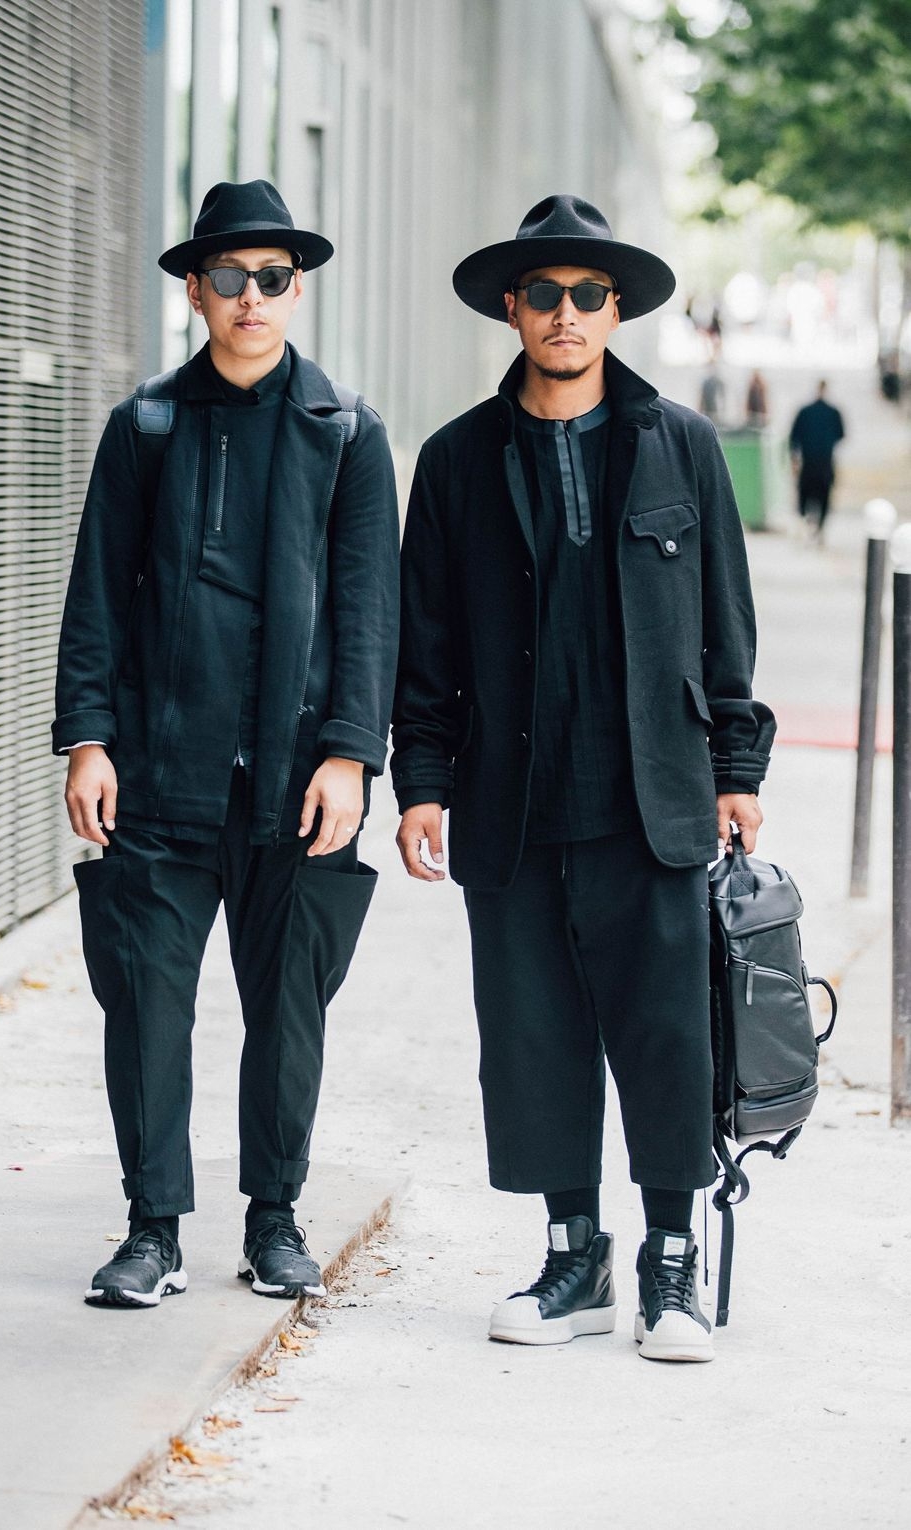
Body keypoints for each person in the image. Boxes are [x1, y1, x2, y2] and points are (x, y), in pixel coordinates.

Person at [392, 195, 775, 1363]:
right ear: (512, 308)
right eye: (546, 294)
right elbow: (428, 643)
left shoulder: (682, 446)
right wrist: (422, 783)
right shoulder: (457, 461)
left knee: (668, 1035)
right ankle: (576, 1256)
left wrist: (736, 769)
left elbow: (725, 629)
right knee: (531, 1036)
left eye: (589, 295)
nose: (567, 314)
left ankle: (672, 1259)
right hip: (512, 807)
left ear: (617, 310)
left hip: (651, 801)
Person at [54, 180, 399, 1308]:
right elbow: (98, 592)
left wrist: (351, 752)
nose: (254, 298)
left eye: (275, 278)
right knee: (147, 1000)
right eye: (232, 277)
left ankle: (275, 1218)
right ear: (196, 289)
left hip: (298, 781)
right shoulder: (145, 424)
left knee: (288, 1009)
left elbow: (368, 608)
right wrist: (89, 737)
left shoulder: (348, 431)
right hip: (158, 772)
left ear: (298, 289)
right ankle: (152, 1229)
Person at [789, 380, 845, 539]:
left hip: (809, 461)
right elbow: (841, 434)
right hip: (825, 461)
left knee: (805, 494)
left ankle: (807, 525)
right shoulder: (833, 412)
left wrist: (794, 457)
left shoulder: (805, 411)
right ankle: (819, 528)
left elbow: (794, 437)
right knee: (824, 496)